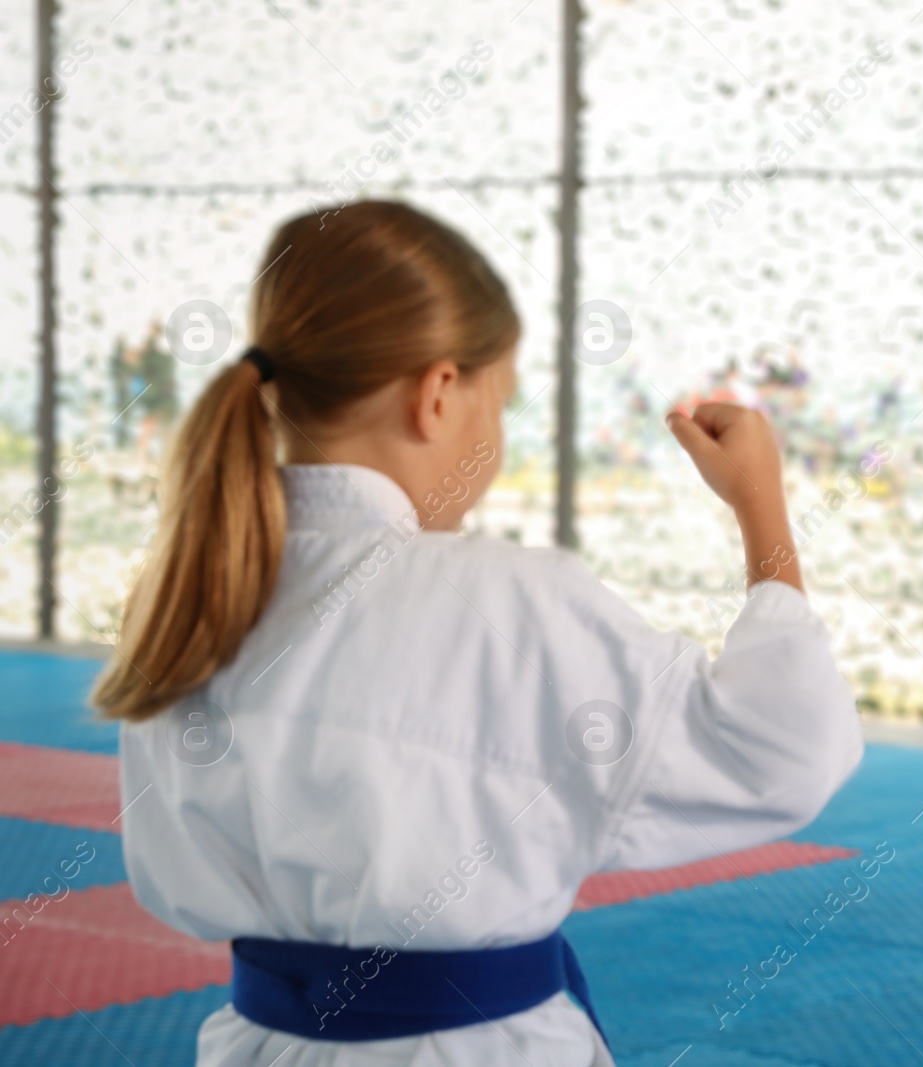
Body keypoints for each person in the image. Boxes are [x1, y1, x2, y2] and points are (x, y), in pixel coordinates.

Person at [90, 200, 864, 1067]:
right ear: (439, 393)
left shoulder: (184, 600)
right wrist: (762, 507)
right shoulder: (510, 601)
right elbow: (783, 755)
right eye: (500, 398)